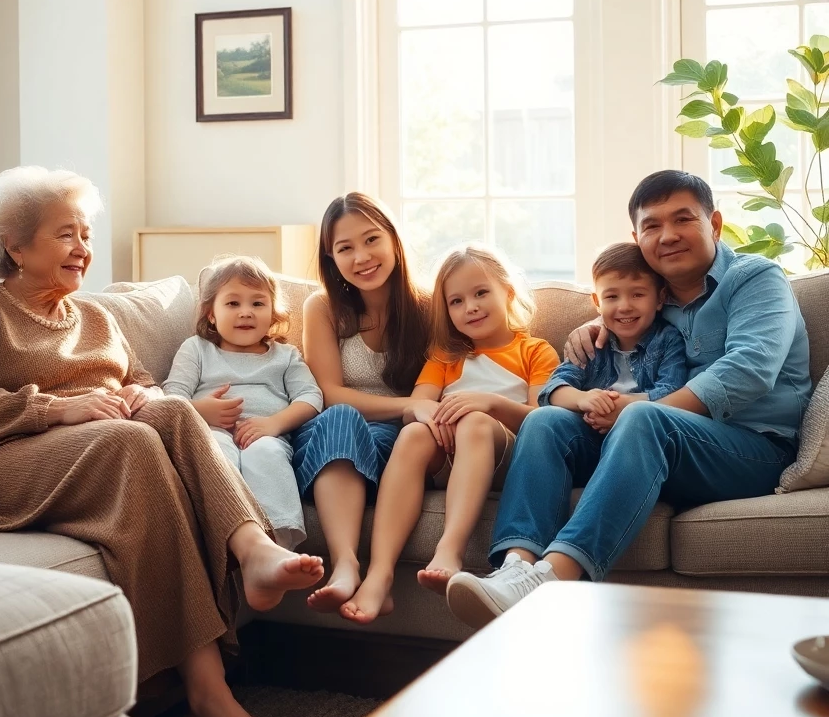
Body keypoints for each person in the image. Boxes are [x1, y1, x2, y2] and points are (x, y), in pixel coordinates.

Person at [0, 167, 323, 717]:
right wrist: (55, 408)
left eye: (85, 234)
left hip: (96, 445)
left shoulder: (97, 316)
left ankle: (253, 552)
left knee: (172, 411)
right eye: (66, 235)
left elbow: (150, 383)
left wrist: (138, 392)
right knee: (129, 441)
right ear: (15, 245)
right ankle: (208, 692)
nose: (83, 249)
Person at [446, 170, 812, 630]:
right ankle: (514, 568)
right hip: (659, 450)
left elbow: (749, 370)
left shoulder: (755, 279)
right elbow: (613, 322)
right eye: (652, 226)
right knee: (545, 423)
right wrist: (597, 326)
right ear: (637, 237)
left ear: (714, 224)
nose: (668, 235)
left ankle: (552, 579)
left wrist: (635, 411)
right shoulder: (652, 305)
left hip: (751, 450)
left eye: (683, 219)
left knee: (643, 417)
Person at [338, 244, 558, 624]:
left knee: (473, 422)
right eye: (456, 301)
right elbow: (419, 405)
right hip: (449, 449)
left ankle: (450, 550)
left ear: (507, 292)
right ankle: (379, 574)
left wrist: (488, 403)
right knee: (412, 436)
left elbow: (542, 421)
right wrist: (432, 417)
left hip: (507, 456)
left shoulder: (534, 351)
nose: (470, 307)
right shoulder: (445, 356)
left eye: (480, 293)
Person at [291, 193, 430, 613]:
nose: (362, 257)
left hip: (391, 445)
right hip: (329, 435)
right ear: (331, 258)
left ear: (393, 241)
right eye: (344, 248)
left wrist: (413, 411)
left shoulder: (428, 306)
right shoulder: (324, 308)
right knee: (341, 415)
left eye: (371, 240)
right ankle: (346, 564)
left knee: (372, 425)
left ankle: (364, 573)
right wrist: (408, 405)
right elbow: (328, 392)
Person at [164, 255, 323, 548]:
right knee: (217, 452)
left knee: (265, 455)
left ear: (273, 314)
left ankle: (278, 544)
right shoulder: (197, 349)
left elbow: (311, 396)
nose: (246, 312)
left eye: (258, 303)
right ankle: (228, 539)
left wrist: (274, 423)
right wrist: (200, 411)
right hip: (209, 433)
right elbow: (171, 396)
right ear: (210, 313)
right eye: (233, 303)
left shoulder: (285, 356)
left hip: (265, 436)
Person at [542, 242, 686, 418]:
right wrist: (582, 398)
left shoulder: (668, 339)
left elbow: (672, 391)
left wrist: (621, 406)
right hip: (586, 431)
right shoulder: (590, 342)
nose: (624, 306)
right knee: (542, 417)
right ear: (597, 302)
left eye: (637, 294)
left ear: (660, 298)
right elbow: (552, 388)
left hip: (640, 427)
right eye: (611, 297)